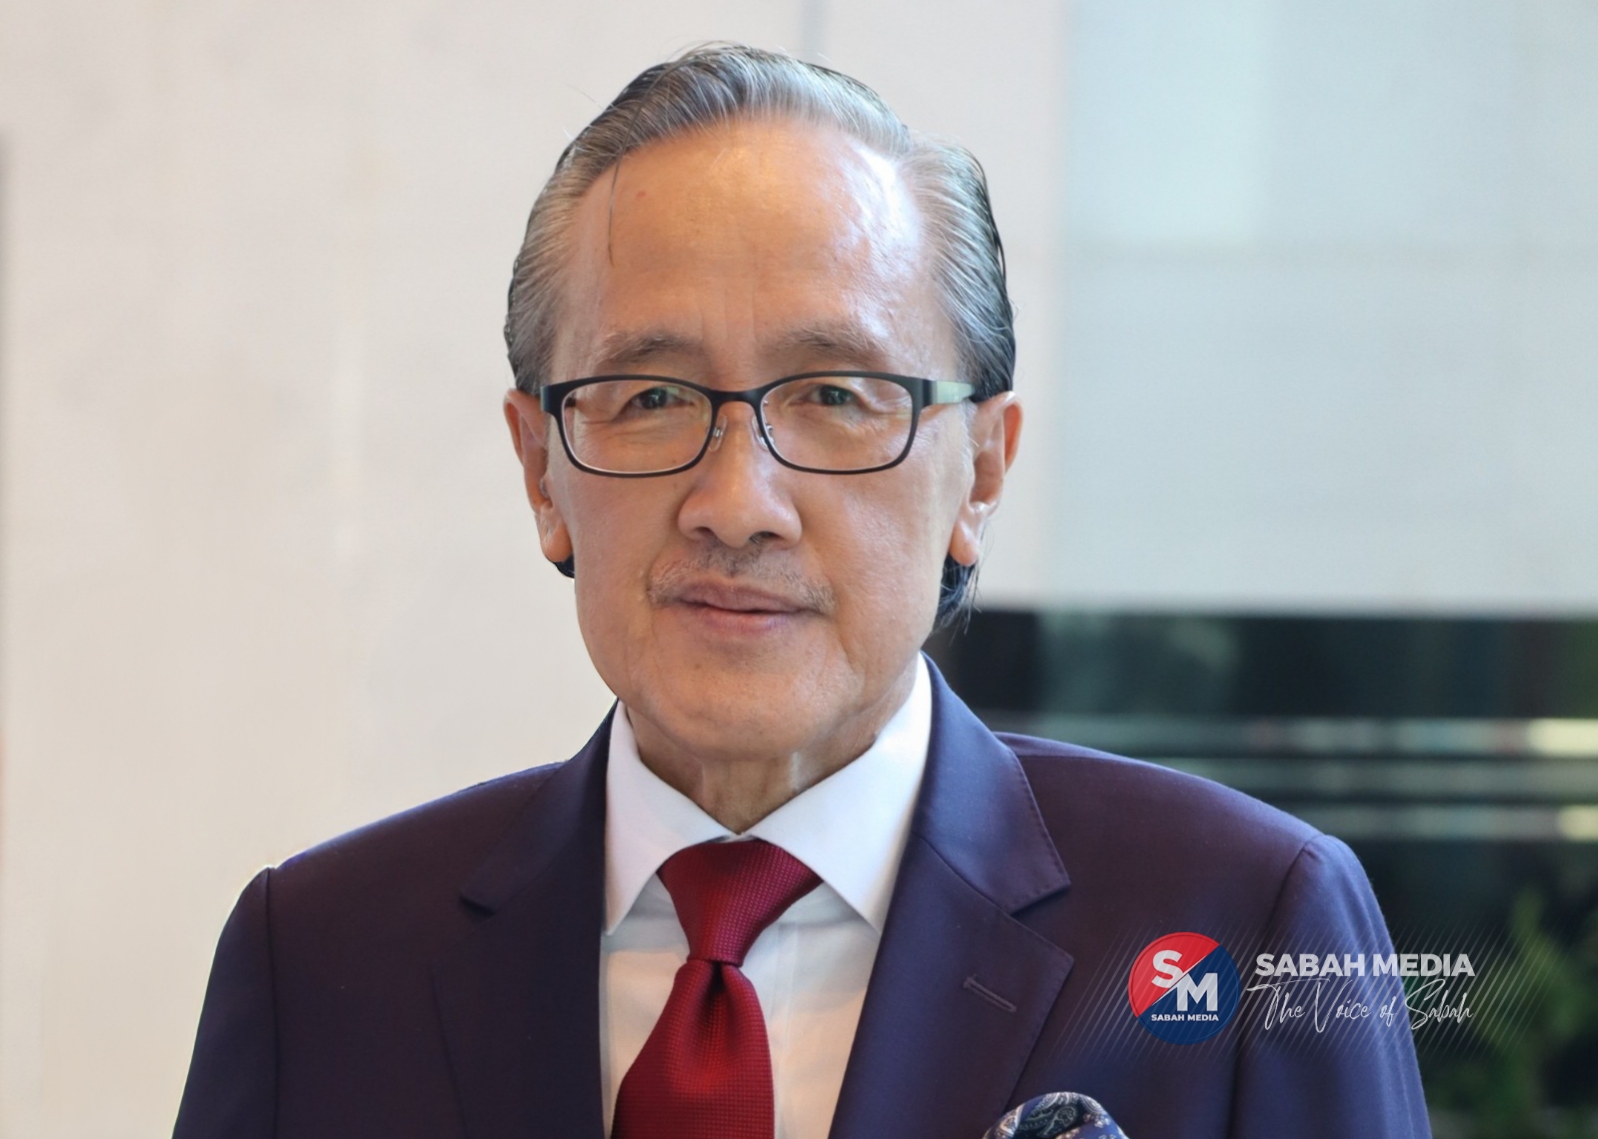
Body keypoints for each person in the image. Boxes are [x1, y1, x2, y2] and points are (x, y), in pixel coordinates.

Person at [173, 44, 1432, 1139]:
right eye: (649, 395)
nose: (736, 501)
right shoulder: (322, 956)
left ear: (981, 471)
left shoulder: (1245, 920)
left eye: (834, 396)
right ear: (540, 469)